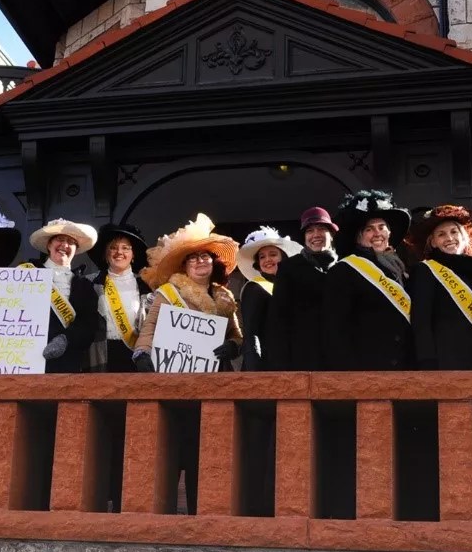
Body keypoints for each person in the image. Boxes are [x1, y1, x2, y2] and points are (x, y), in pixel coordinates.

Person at [132, 213, 242, 515]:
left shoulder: (225, 297)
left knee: (208, 450)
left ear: (213, 263)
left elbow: (237, 335)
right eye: (193, 258)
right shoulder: (169, 293)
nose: (200, 261)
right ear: (184, 265)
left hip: (215, 383)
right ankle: (165, 514)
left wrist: (232, 347)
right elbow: (150, 328)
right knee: (172, 447)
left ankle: (201, 512)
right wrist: (142, 354)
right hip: (176, 383)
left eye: (205, 257)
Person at [323, 190, 413, 371]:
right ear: (359, 237)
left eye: (382, 227)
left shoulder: (401, 269)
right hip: (367, 368)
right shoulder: (344, 270)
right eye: (369, 229)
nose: (377, 233)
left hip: (404, 367)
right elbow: (335, 329)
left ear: (389, 233)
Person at [406, 205, 472, 370]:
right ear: (433, 242)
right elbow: (421, 321)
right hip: (444, 362)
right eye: (441, 234)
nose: (449, 238)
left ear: (463, 236)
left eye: (454, 232)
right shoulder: (425, 270)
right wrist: (427, 362)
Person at [266, 207, 340, 371]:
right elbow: (278, 319)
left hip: (338, 360)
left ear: (331, 234)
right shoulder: (289, 268)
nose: (316, 235)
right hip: (301, 360)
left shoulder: (344, 267)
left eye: (321, 229)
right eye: (309, 231)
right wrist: (281, 366)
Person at [24, 218, 99, 373]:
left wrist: (66, 339)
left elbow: (89, 325)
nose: (65, 245)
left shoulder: (85, 286)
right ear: (49, 245)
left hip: (67, 362)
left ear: (76, 249)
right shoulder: (26, 274)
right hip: (25, 358)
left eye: (71, 242)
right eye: (60, 239)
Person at [87, 223, 152, 372]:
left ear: (133, 255)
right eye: (113, 247)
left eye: (125, 248)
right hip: (100, 355)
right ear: (106, 254)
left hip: (137, 357)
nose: (119, 252)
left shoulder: (147, 285)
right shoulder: (90, 283)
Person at [237, 226, 302, 371]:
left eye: (273, 254)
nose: (267, 260)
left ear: (283, 257)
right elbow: (251, 334)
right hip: (266, 367)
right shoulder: (255, 288)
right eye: (262, 257)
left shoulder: (289, 288)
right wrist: (256, 374)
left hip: (290, 363)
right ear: (258, 264)